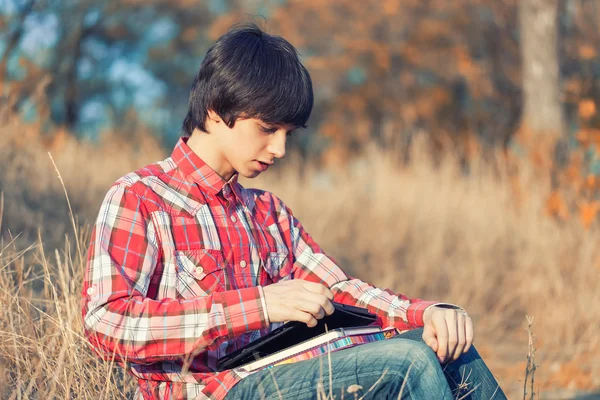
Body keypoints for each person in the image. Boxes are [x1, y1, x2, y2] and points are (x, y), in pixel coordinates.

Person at [82, 22, 506, 400]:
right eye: (267, 129)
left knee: (445, 345)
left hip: (284, 371)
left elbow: (340, 289)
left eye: (287, 133)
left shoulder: (268, 212)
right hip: (214, 391)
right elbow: (106, 325)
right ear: (215, 111)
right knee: (408, 362)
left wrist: (426, 312)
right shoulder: (140, 198)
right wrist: (259, 305)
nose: (280, 149)